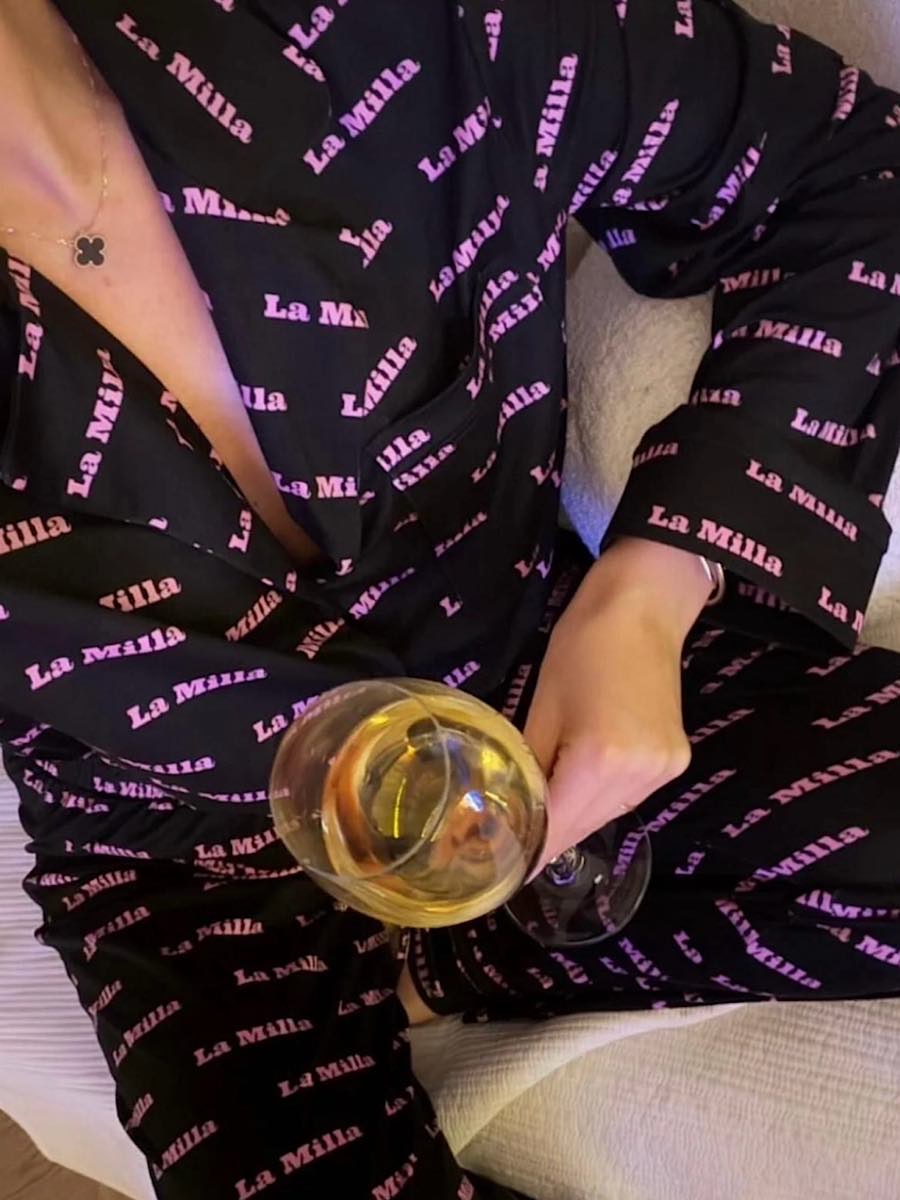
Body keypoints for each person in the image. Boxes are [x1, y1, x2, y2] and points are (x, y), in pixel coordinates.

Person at [1, 0, 899, 1195]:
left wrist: (654, 581)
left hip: (537, 670)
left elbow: (850, 168)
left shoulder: (399, 27)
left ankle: (461, 955)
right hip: (190, 868)